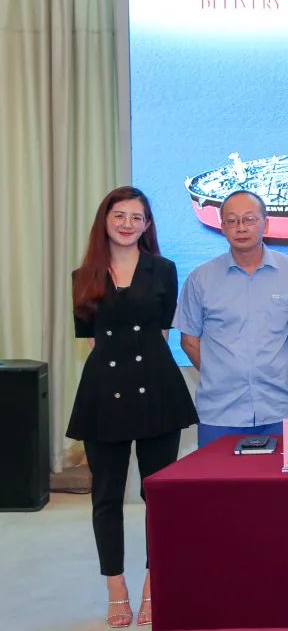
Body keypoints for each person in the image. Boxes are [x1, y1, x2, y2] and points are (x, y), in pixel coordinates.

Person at [67, 186, 198, 628]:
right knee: (105, 496)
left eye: (136, 217)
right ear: (105, 220)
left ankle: (153, 585)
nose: (127, 224)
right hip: (103, 394)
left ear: (147, 225)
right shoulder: (82, 275)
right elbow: (91, 341)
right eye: (119, 215)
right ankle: (116, 588)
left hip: (157, 389)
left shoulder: (164, 269)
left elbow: (161, 333)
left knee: (156, 494)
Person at [174, 190, 288, 447]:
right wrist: (218, 374)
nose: (241, 228)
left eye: (249, 219)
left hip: (277, 408)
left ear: (266, 224)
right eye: (232, 221)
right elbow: (188, 340)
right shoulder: (200, 279)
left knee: (278, 475)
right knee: (216, 475)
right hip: (219, 412)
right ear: (222, 227)